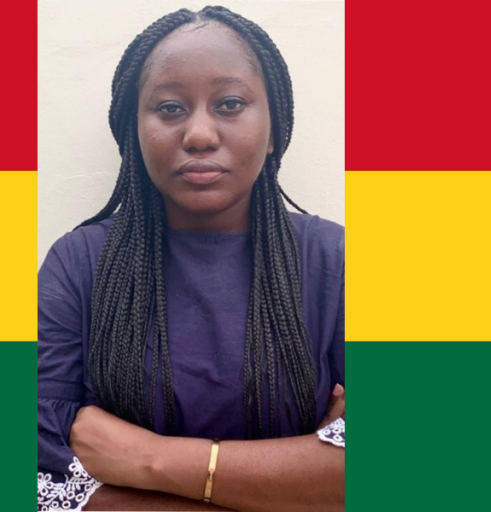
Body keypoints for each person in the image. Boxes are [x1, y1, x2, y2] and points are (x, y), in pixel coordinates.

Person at [38, 6, 345, 511]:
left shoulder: (334, 262)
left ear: (274, 130)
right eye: (170, 108)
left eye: (230, 103)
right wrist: (298, 481)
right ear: (134, 131)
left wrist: (150, 459)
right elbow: (41, 479)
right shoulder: (79, 265)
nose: (199, 134)